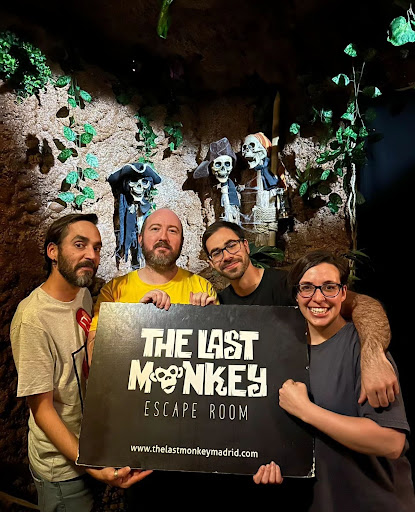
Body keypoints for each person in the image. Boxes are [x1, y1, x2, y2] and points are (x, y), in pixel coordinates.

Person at [253, 250, 415, 511]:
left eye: (329, 287)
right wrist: (275, 465)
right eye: (307, 288)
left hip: (374, 503)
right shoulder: (284, 352)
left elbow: (391, 442)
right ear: (296, 295)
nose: (318, 298)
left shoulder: (364, 350)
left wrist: (307, 411)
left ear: (343, 293)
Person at [10, 214, 151, 512]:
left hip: (91, 448)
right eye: (79, 244)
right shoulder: (33, 319)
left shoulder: (83, 294)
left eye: (97, 248)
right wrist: (89, 463)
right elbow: (42, 409)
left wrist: (139, 315)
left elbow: (93, 353)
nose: (91, 255)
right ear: (52, 251)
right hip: (64, 469)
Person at [202, 220, 398, 409]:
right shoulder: (221, 304)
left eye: (231, 245)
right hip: (259, 408)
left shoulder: (290, 285)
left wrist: (373, 357)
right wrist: (201, 317)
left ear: (245, 246)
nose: (226, 256)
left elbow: (364, 305)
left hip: (308, 396)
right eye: (216, 252)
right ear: (211, 263)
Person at [87, 208, 217, 358]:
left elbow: (219, 357)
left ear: (182, 241)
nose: (163, 237)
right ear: (140, 238)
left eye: (172, 231)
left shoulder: (202, 288)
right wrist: (139, 318)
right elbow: (93, 357)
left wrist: (209, 321)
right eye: (155, 229)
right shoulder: (114, 290)